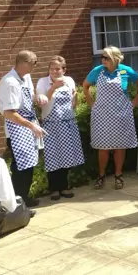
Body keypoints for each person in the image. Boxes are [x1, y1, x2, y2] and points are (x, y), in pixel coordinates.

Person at [82, 46, 138, 191]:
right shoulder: (97, 71)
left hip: (121, 114)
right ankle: (101, 175)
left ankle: (118, 175)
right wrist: (91, 104)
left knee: (119, 146)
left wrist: (136, 100)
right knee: (103, 147)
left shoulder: (125, 71)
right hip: (102, 115)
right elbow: (85, 86)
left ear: (116, 59)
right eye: (102, 57)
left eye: (106, 58)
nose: (103, 60)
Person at [0, 50, 45, 208]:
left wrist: (38, 98)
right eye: (34, 62)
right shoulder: (10, 83)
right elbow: (9, 113)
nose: (35, 65)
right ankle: (16, 205)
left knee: (29, 165)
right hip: (16, 130)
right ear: (24, 63)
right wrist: (32, 126)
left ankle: (25, 198)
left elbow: (30, 95)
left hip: (28, 126)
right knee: (20, 168)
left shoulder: (26, 77)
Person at [36, 56, 84, 201]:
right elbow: (42, 103)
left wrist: (75, 99)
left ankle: (64, 186)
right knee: (53, 156)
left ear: (64, 70)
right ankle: (54, 189)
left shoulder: (69, 80)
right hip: (51, 124)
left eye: (57, 69)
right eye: (52, 69)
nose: (54, 72)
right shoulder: (43, 82)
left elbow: (74, 93)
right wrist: (53, 87)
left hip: (67, 123)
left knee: (67, 155)